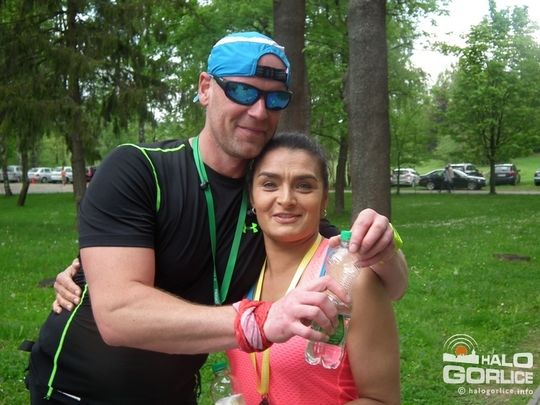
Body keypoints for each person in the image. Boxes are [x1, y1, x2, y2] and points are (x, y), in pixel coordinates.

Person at [28, 31, 407, 404]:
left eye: (275, 98)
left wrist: (385, 247)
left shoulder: (269, 199)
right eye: (242, 91)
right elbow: (118, 314)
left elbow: (382, 280)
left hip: (174, 394)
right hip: (77, 391)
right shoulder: (139, 168)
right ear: (206, 88)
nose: (259, 111)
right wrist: (259, 321)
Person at [226, 133, 400, 404]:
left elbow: (382, 400)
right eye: (269, 184)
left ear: (324, 200)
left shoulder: (351, 277)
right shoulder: (238, 269)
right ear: (252, 196)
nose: (286, 199)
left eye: (304, 186)